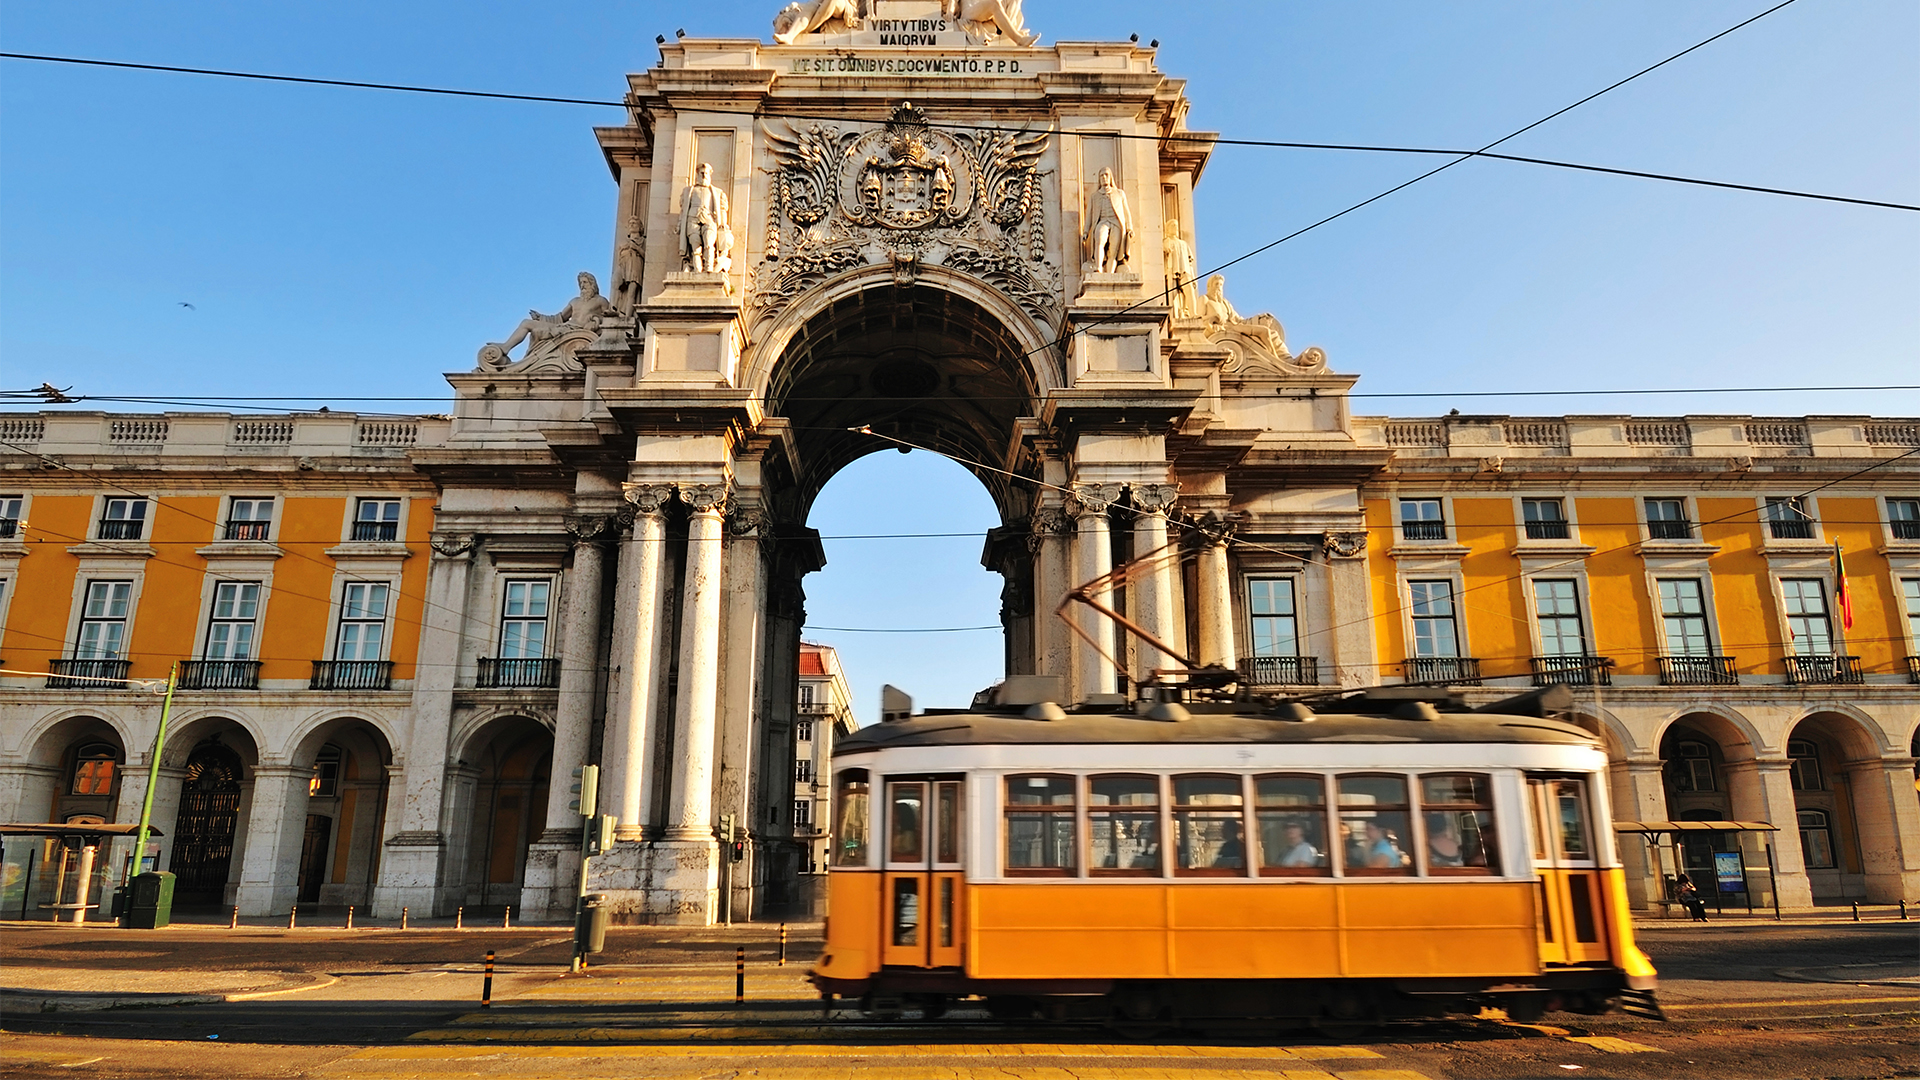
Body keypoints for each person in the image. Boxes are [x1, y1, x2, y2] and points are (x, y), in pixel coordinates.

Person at [494, 272, 615, 360]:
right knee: (526, 323)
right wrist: (541, 317)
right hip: (565, 327)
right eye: (580, 283)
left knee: (537, 332)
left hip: (579, 330)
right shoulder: (575, 301)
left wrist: (596, 319)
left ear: (592, 284)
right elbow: (560, 318)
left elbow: (609, 319)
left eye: (585, 282)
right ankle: (506, 347)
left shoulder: (600, 300)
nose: (582, 285)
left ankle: (529, 359)